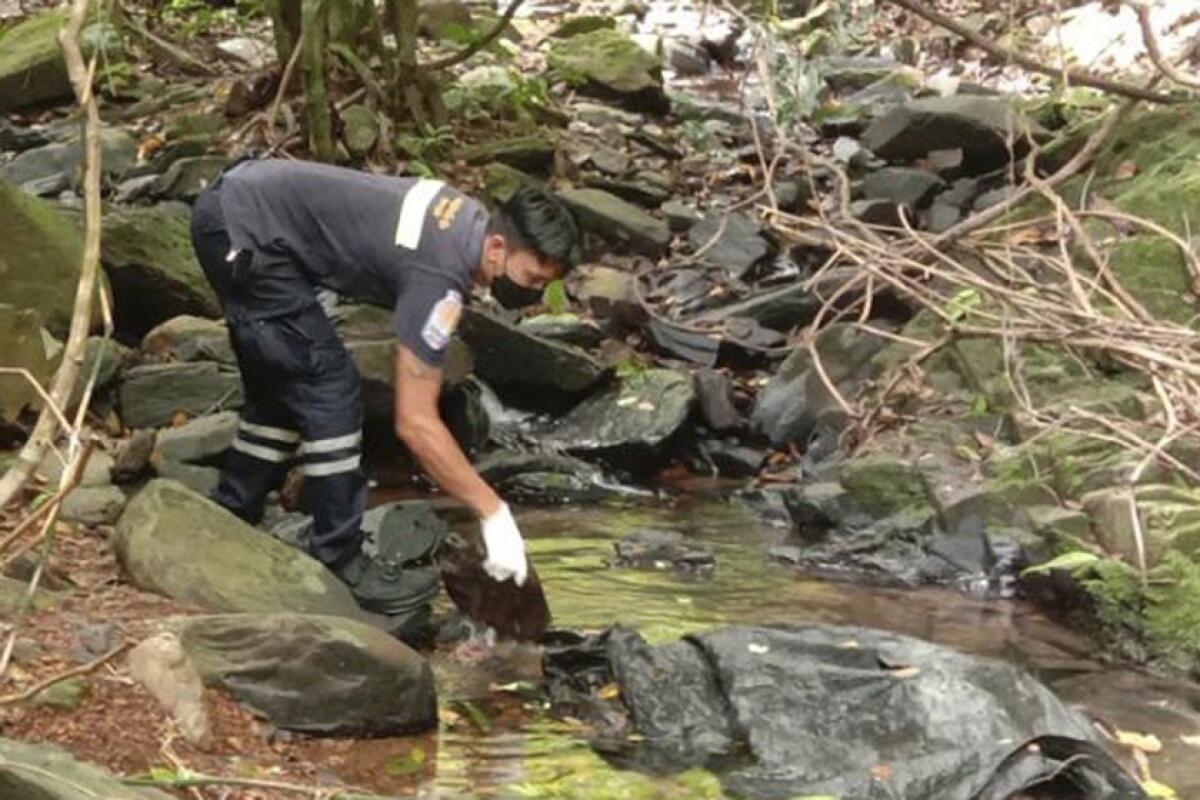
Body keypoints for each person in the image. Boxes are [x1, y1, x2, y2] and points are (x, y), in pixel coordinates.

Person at [188, 158, 582, 622]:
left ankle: (233, 509)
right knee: (329, 388)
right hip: (247, 232)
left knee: (281, 381)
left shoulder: (465, 221)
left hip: (237, 208)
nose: (532, 294)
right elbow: (415, 423)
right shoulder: (439, 277)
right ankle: (338, 556)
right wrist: (493, 512)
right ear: (498, 247)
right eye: (532, 279)